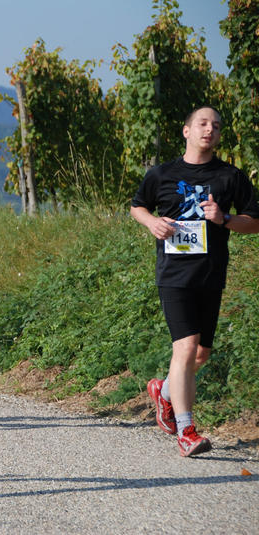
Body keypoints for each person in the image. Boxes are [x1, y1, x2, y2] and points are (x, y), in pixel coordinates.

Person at [130, 106, 259, 457]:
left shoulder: (230, 176)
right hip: (174, 275)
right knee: (185, 347)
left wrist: (226, 217)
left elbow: (255, 221)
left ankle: (164, 390)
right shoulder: (162, 174)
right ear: (186, 131)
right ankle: (186, 430)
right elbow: (137, 206)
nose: (209, 129)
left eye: (216, 126)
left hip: (211, 273)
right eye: (202, 123)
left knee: (200, 353)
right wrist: (151, 223)